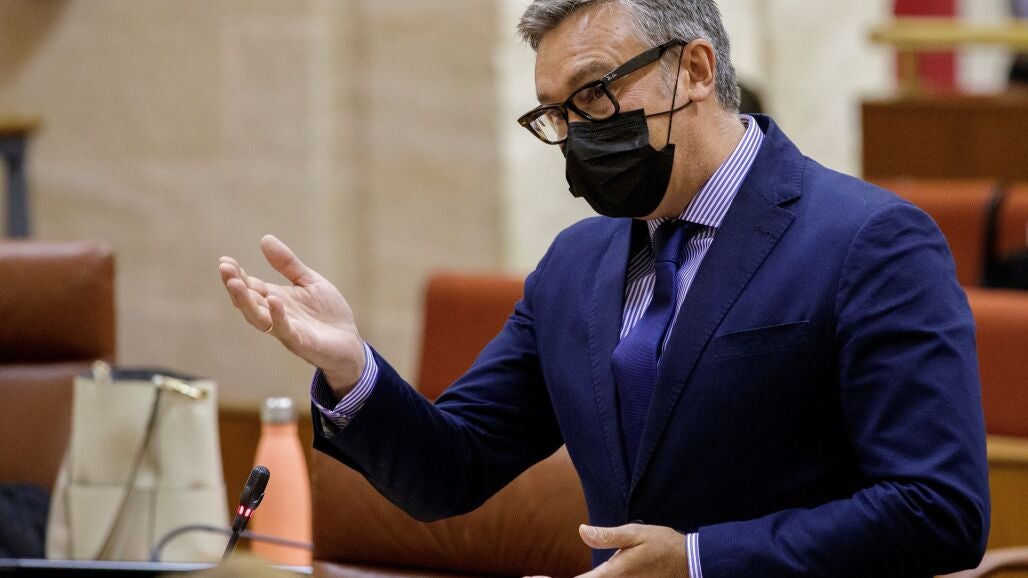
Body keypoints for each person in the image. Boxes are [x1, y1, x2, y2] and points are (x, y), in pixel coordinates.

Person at [219, 1, 990, 575]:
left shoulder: (870, 240)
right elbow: (452, 470)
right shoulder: (575, 265)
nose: (578, 132)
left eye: (593, 93)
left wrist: (698, 561)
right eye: (555, 113)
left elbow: (938, 508)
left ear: (695, 70)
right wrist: (351, 366)